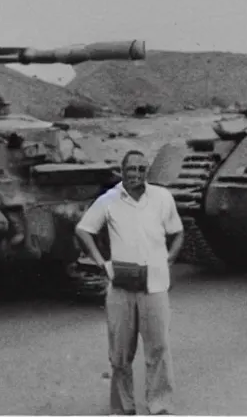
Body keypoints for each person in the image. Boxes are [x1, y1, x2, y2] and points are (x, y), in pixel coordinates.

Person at [74, 150, 185, 416]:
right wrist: (103, 264)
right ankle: (123, 407)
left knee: (158, 348)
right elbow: (83, 229)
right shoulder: (109, 199)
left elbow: (178, 232)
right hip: (121, 285)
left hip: (155, 285)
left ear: (147, 171)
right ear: (122, 171)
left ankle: (160, 404)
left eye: (141, 169)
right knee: (120, 353)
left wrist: (169, 259)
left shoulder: (162, 197)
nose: (135, 174)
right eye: (130, 169)